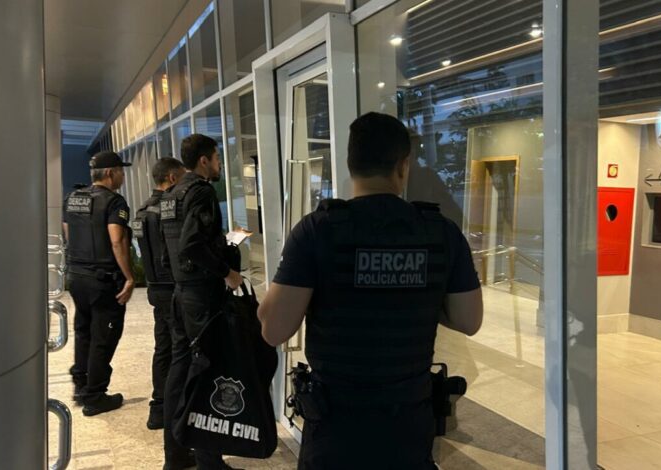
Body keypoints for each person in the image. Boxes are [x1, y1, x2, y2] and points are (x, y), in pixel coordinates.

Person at [257, 112, 484, 469]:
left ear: (351, 165)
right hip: (408, 424)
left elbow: (273, 330)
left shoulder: (317, 231)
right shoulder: (441, 232)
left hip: (335, 427)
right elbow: (469, 320)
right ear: (403, 166)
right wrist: (419, 294)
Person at [160, 134, 242, 470]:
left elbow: (170, 249)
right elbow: (191, 244)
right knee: (206, 372)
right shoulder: (201, 191)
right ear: (205, 160)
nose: (220, 164)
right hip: (200, 297)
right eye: (217, 158)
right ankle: (210, 461)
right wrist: (227, 272)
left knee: (180, 372)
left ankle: (176, 454)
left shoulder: (172, 194)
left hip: (181, 294)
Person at [63, 150, 135, 416]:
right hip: (102, 279)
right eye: (121, 172)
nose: (123, 177)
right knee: (103, 337)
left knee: (84, 331)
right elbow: (117, 240)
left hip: (77, 276)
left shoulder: (73, 198)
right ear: (109, 173)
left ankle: (81, 385)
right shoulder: (114, 202)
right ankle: (95, 396)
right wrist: (129, 277)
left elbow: (68, 232)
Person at [132, 157, 187, 430]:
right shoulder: (169, 209)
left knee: (163, 347)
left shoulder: (142, 210)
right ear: (172, 178)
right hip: (173, 288)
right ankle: (176, 408)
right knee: (180, 349)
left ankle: (159, 407)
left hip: (154, 287)